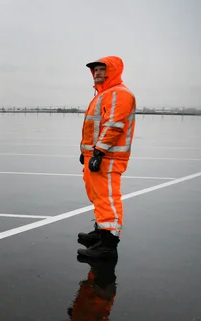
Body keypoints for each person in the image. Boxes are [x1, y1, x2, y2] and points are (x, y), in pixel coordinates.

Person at [77, 56, 136, 259]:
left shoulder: (119, 94)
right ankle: (100, 232)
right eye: (96, 70)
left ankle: (108, 244)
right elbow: (95, 126)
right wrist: (85, 153)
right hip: (95, 155)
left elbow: (114, 126)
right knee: (97, 196)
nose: (98, 73)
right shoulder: (103, 94)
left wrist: (99, 151)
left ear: (113, 71)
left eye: (102, 69)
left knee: (107, 198)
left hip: (108, 157)